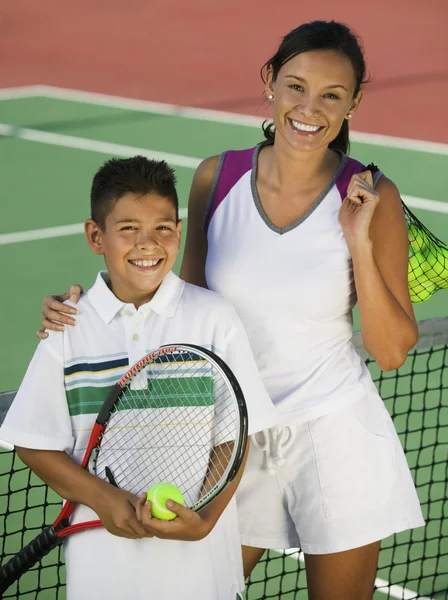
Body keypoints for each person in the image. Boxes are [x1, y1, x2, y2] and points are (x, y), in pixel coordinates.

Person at [37, 21, 425, 600]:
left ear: (355, 102)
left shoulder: (371, 194)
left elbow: (391, 351)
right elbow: (178, 304)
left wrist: (361, 243)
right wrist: (87, 306)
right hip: (226, 440)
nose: (309, 109)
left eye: (331, 95)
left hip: (335, 434)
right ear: (269, 81)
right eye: (295, 86)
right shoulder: (217, 178)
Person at [0, 156, 279, 600]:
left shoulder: (213, 318)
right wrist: (104, 499)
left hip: (202, 577)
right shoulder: (68, 329)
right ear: (97, 236)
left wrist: (204, 517)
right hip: (103, 576)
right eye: (128, 228)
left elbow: (235, 439)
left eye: (163, 228)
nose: (148, 244)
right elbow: (33, 442)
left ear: (179, 231)